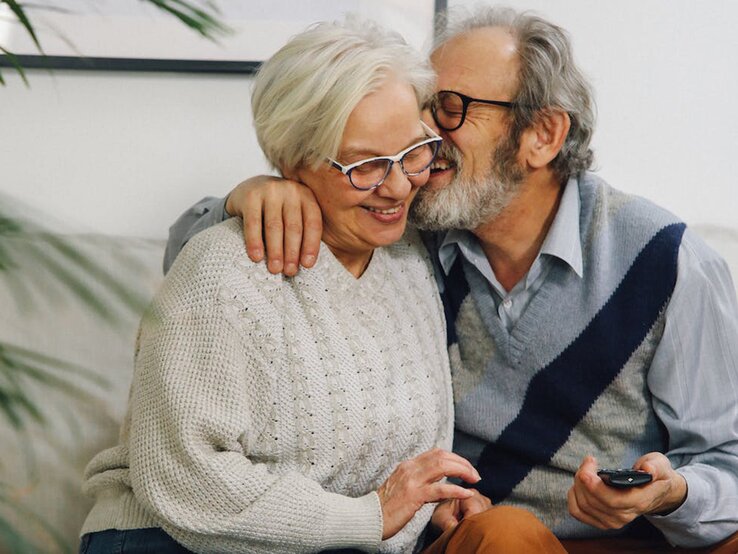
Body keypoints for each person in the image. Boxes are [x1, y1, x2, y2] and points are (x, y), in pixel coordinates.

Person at [165, 6, 738, 553]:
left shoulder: (669, 262)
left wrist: (672, 493)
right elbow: (192, 260)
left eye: (452, 108)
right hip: (486, 540)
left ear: (543, 134)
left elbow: (728, 461)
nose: (425, 137)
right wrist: (251, 199)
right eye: (424, 108)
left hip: (637, 540)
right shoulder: (404, 228)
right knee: (507, 537)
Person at [79, 17, 565, 554]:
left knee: (509, 536)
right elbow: (182, 477)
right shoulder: (223, 271)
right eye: (366, 166)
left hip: (346, 543)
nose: (400, 185)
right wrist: (370, 516)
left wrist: (427, 505)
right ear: (293, 161)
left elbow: (378, 463)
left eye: (413, 153)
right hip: (176, 540)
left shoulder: (409, 258)